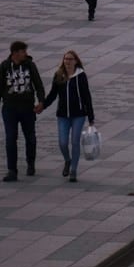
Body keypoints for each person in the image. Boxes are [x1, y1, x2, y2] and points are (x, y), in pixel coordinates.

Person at [0, 40, 45, 180]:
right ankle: (12, 170)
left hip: (27, 108)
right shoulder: (4, 67)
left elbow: (38, 84)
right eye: (23, 52)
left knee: (30, 138)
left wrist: (41, 101)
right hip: (10, 109)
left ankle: (30, 163)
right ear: (15, 53)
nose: (26, 54)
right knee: (10, 138)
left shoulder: (30, 65)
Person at [39, 50, 95, 182]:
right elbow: (53, 94)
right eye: (65, 59)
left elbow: (87, 96)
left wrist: (91, 116)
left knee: (75, 142)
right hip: (63, 115)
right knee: (63, 142)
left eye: (70, 59)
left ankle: (73, 170)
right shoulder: (59, 75)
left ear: (76, 61)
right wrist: (43, 106)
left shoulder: (81, 76)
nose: (67, 62)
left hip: (79, 115)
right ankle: (67, 160)